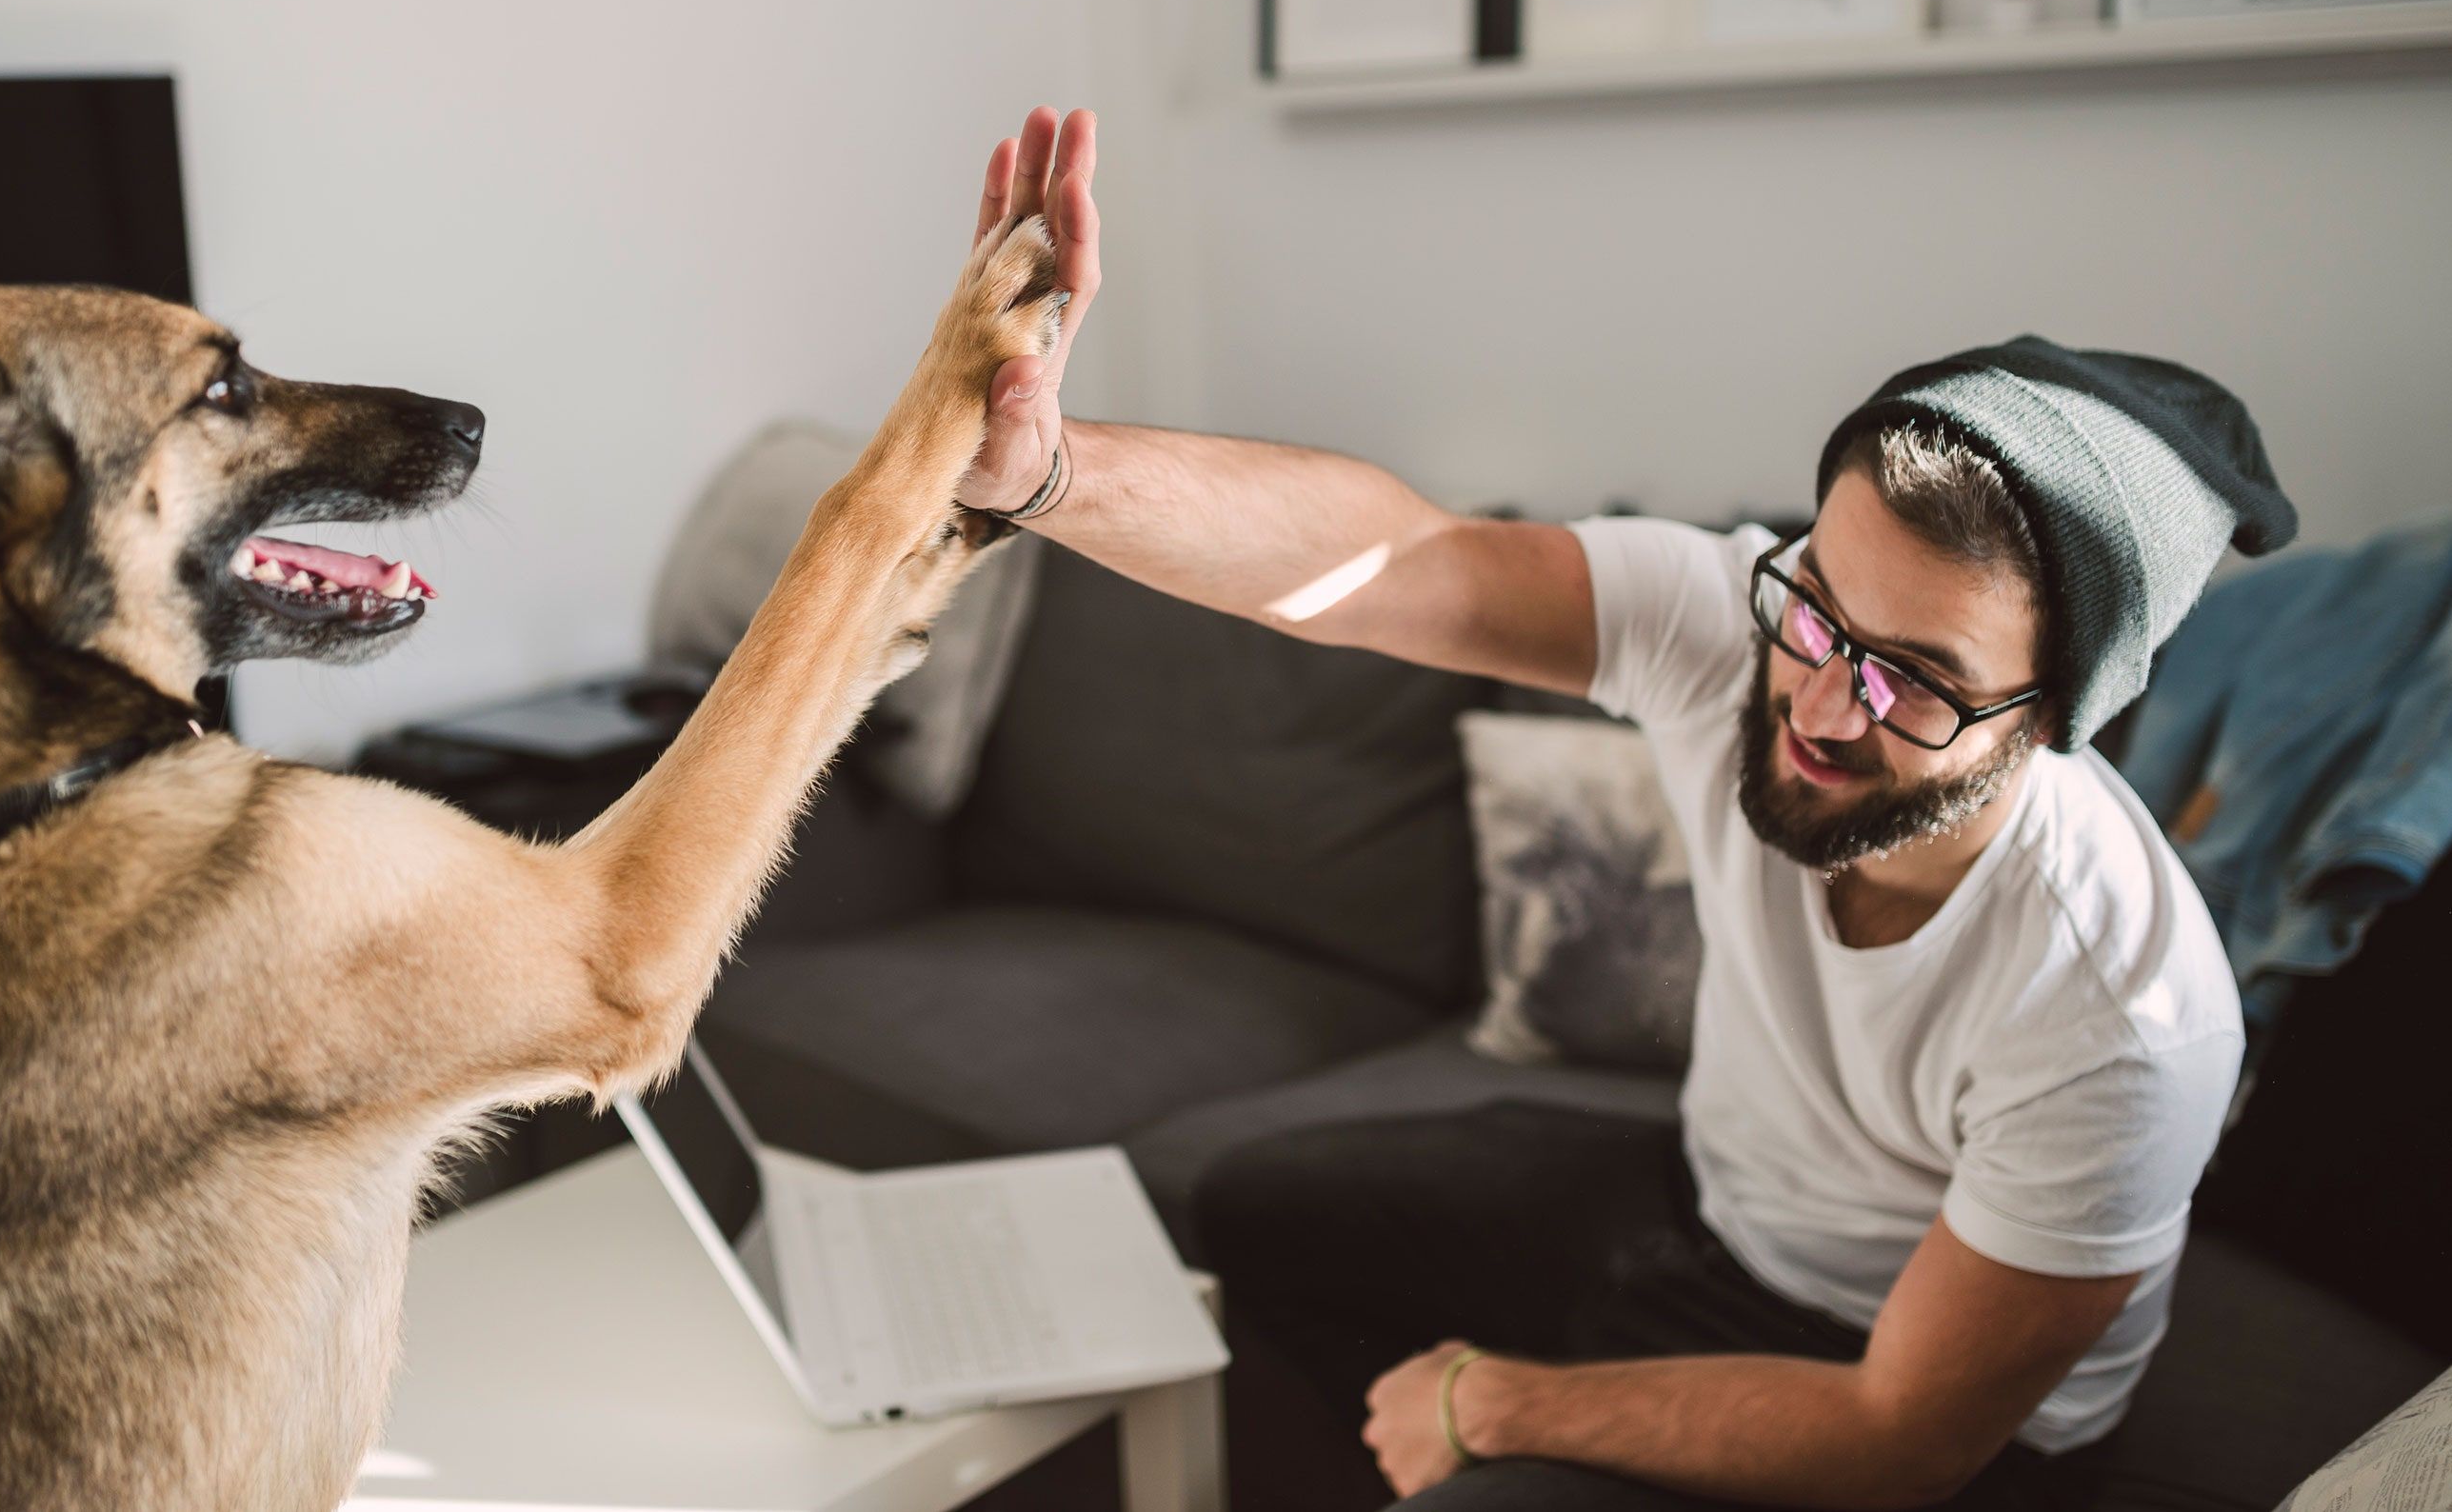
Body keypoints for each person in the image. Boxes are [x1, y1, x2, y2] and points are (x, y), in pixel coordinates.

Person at [952, 109, 2292, 1510]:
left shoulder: (2123, 1016)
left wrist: (1498, 1405)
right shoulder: (1741, 625)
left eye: (1922, 682)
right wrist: (1046, 475)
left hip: (1920, 1415)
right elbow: (1409, 560)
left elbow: (1903, 1436)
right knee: (1244, 1212)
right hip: (1699, 1214)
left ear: (2057, 718)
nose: (1827, 707)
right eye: (1821, 614)